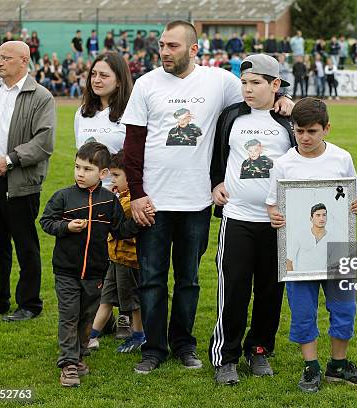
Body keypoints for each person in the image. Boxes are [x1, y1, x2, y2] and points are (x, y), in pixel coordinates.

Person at [120, 20, 293, 375]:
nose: (164, 52)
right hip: (154, 201)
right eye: (162, 45)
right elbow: (133, 144)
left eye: (172, 46)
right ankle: (154, 349)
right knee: (152, 279)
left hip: (198, 201)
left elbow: (257, 97)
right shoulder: (146, 84)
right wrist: (136, 194)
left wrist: (286, 99)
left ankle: (184, 344)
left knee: (189, 279)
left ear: (193, 49)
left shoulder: (221, 81)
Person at [266, 97, 357, 393]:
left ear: (326, 129)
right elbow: (273, 205)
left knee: (344, 309)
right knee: (302, 311)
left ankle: (338, 364)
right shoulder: (284, 163)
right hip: (299, 253)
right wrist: (274, 216)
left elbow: (354, 196)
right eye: (299, 131)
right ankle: (310, 367)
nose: (305, 138)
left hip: (337, 250)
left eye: (312, 131)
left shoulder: (341, 158)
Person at [207, 53, 295, 385]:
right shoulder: (231, 117)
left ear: (275, 85)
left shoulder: (287, 119)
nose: (247, 89)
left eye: (256, 83)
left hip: (277, 223)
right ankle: (225, 357)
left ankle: (259, 349)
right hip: (238, 219)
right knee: (234, 291)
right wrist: (216, 183)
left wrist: (291, 102)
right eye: (244, 82)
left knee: (271, 292)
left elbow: (307, 154)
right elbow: (216, 155)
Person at [0, 41, 55, 321]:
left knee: (25, 245)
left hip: (20, 181)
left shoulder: (41, 96)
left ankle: (29, 304)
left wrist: (9, 160)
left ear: (24, 60)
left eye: (5, 58)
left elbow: (44, 142)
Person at [39, 142, 140, 387]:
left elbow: (119, 230)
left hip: (95, 273)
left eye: (87, 169)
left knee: (86, 317)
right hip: (66, 271)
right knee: (69, 316)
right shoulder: (63, 196)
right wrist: (66, 227)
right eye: (77, 167)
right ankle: (68, 365)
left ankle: (80, 355)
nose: (80, 173)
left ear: (103, 174)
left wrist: (140, 219)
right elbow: (46, 221)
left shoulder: (109, 201)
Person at [87, 150, 147, 354]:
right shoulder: (122, 196)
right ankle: (90, 336)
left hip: (129, 261)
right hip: (114, 258)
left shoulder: (132, 202)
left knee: (132, 303)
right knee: (105, 299)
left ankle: (139, 336)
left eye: (116, 175)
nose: (112, 179)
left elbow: (118, 222)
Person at [75, 52, 132, 189]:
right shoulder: (81, 113)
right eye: (93, 74)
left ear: (119, 81)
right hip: (87, 195)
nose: (96, 80)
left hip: (119, 196)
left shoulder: (131, 112)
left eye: (104, 75)